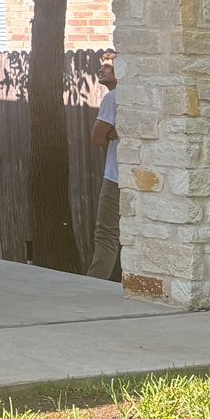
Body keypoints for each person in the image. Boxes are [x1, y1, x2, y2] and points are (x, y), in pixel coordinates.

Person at [87, 55, 122, 281]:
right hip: (138, 177)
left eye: (108, 67)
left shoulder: (112, 99)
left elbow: (96, 138)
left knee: (106, 233)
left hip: (115, 177)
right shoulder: (138, 98)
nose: (101, 70)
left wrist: (108, 133)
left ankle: (94, 284)